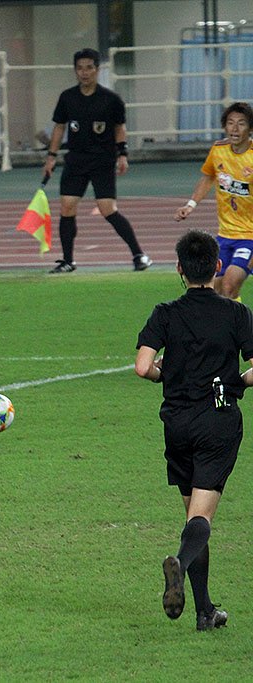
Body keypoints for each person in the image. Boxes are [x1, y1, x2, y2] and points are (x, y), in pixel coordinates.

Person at [135, 229, 253, 631]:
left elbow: (143, 367)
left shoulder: (164, 313)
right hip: (217, 421)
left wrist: (161, 375)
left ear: (179, 268)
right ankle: (180, 566)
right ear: (218, 266)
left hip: (178, 423)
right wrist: (238, 381)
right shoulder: (236, 313)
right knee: (201, 519)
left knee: (192, 519)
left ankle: (205, 613)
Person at [42, 48, 151, 273]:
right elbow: (59, 127)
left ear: (97, 70)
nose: (84, 72)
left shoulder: (111, 99)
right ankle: (68, 261)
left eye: (89, 68)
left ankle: (139, 255)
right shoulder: (67, 97)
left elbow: (119, 128)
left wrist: (123, 154)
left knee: (107, 209)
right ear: (75, 71)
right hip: (76, 161)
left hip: (102, 161)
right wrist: (51, 156)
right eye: (80, 68)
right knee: (67, 206)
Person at [174, 102, 253, 301]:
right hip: (224, 236)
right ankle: (231, 318)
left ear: (250, 128)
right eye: (230, 123)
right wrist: (190, 205)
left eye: (241, 123)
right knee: (215, 290)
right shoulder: (218, 150)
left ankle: (239, 321)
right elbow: (209, 176)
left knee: (229, 285)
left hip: (250, 236)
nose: (235, 129)